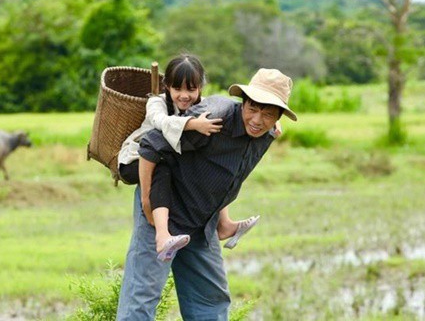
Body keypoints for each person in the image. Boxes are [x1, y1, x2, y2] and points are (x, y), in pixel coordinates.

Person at [116, 68, 297, 320]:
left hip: (202, 220)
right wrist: (147, 202)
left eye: (267, 114)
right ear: (243, 102)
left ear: (278, 116)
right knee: (142, 297)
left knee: (211, 300)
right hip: (163, 209)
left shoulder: (267, 133)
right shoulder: (214, 119)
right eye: (253, 109)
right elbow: (150, 146)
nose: (257, 120)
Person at [117, 54, 269, 261]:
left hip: (169, 156)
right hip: (138, 158)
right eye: (177, 89)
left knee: (210, 162)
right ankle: (162, 235)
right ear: (167, 86)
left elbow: (232, 109)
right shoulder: (157, 103)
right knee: (163, 170)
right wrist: (192, 124)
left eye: (191, 89)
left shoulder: (203, 107)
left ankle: (225, 224)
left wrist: (269, 120)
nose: (184, 96)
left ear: (200, 88)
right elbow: (159, 124)